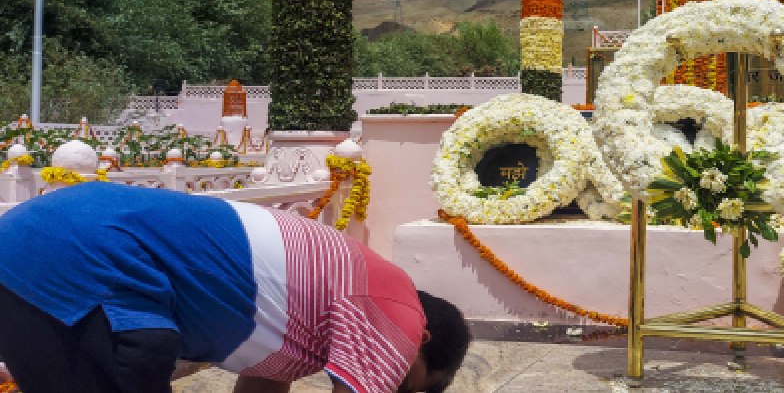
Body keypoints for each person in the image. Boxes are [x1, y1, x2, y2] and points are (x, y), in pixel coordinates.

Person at [0, 182, 470, 393]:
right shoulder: (398, 307)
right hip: (85, 251)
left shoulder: (304, 322)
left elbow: (262, 386)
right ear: (422, 338)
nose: (389, 384)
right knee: (143, 352)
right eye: (407, 385)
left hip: (32, 243)